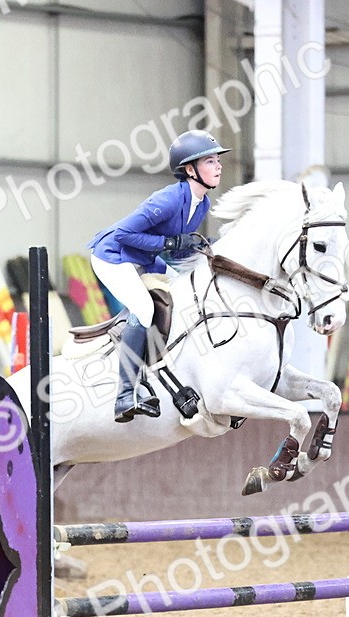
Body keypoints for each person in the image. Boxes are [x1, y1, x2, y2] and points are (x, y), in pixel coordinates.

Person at [86, 130, 230, 423]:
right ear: (190, 170)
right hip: (113, 256)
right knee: (144, 308)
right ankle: (125, 394)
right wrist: (170, 244)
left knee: (188, 292)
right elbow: (125, 234)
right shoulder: (167, 200)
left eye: (218, 161)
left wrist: (203, 248)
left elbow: (176, 250)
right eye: (211, 161)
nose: (219, 166)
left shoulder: (201, 204)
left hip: (145, 258)